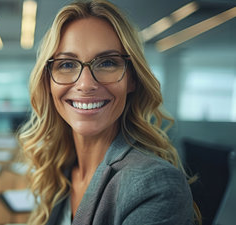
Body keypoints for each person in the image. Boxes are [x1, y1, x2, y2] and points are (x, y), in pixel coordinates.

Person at [17, 1, 200, 225]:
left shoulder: (156, 184)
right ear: (48, 81)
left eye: (107, 62)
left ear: (132, 78)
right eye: (66, 64)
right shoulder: (61, 169)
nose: (85, 84)